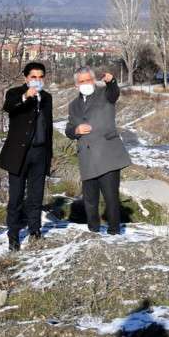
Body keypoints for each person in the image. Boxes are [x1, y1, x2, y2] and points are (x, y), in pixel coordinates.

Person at [65, 67, 131, 234]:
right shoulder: (73, 106)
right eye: (81, 81)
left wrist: (111, 81)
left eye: (88, 80)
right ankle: (93, 230)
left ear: (93, 81)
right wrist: (76, 130)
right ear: (76, 85)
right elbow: (69, 128)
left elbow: (114, 93)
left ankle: (114, 231)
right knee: (90, 200)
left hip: (107, 154)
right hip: (86, 157)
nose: (85, 83)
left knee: (111, 198)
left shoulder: (104, 94)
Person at [0, 61, 53, 250]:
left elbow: (49, 126)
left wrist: (49, 154)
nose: (37, 81)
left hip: (40, 152)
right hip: (19, 153)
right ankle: (13, 235)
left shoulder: (47, 97)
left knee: (36, 196)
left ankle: (35, 231)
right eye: (33, 77)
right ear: (26, 78)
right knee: (16, 196)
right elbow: (8, 107)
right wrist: (25, 96)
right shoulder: (14, 93)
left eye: (40, 77)